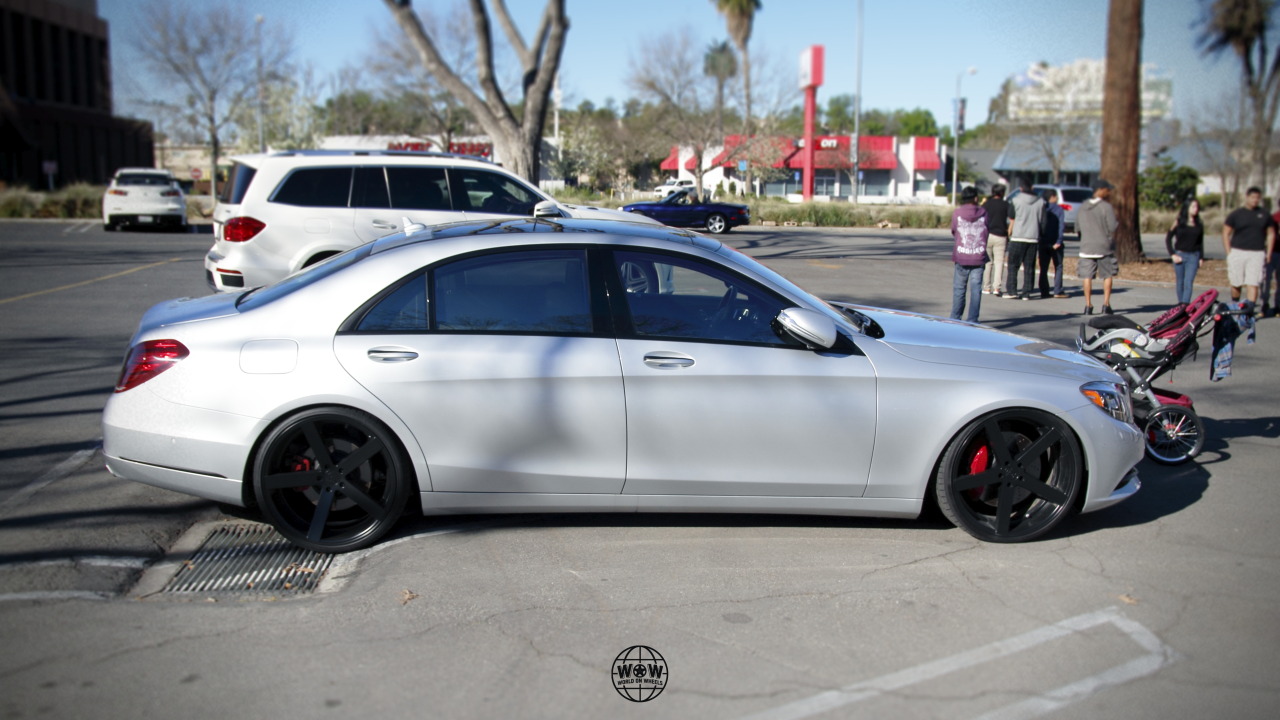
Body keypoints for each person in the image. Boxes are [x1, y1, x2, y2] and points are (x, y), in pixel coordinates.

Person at [1222, 186, 1276, 314]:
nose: (1255, 200)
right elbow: (1225, 232)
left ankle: (1249, 311)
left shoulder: (1264, 214)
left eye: (1257, 198)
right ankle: (1235, 306)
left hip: (1257, 253)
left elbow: (1271, 233)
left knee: (1253, 283)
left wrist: (1268, 253)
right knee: (1236, 282)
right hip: (1238, 251)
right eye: (1252, 197)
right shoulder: (1237, 214)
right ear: (1247, 197)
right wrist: (1229, 252)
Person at [1077, 178, 1119, 315]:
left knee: (1087, 276)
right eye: (1107, 189)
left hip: (1086, 246)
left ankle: (1088, 306)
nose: (1108, 192)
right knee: (1107, 275)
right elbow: (1112, 226)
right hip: (1103, 246)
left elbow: (1078, 227)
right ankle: (1106, 304)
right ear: (1100, 190)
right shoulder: (1106, 207)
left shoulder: (1083, 206)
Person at [950, 186, 989, 323]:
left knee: (959, 289)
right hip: (978, 256)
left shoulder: (957, 213)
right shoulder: (983, 212)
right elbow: (987, 229)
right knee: (976, 290)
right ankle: (973, 320)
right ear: (976, 198)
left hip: (961, 255)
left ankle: (955, 318)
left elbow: (954, 230)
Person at [1005, 176, 1045, 300]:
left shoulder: (1016, 200)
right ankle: (1026, 292)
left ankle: (1012, 291)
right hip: (1033, 237)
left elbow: (1011, 215)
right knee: (1029, 266)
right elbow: (1043, 221)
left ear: (1021, 188)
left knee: (1013, 265)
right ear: (1032, 187)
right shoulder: (1040, 202)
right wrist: (1041, 235)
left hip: (1017, 237)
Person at [1165, 197, 1204, 305]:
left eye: (1197, 207)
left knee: (1188, 282)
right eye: (1193, 206)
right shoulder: (1178, 222)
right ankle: (1180, 303)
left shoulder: (1199, 224)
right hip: (1180, 255)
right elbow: (1168, 238)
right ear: (1187, 208)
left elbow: (1200, 242)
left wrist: (1201, 257)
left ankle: (1185, 304)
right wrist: (1172, 254)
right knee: (1180, 282)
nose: (1195, 209)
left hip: (1193, 256)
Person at [981, 184, 1010, 296]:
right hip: (1001, 235)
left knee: (988, 262)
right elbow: (1011, 218)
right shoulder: (1006, 204)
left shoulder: (986, 204)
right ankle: (997, 288)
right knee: (999, 262)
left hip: (987, 234)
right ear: (1002, 193)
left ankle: (986, 287)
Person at [1038, 189, 1068, 298]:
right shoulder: (1059, 209)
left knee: (1043, 268)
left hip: (1043, 241)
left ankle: (1044, 291)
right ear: (1053, 197)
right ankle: (1057, 290)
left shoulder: (1042, 208)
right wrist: (1059, 241)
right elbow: (1061, 226)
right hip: (1055, 241)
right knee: (1058, 266)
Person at [1261, 195, 1280, 317]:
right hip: (1272, 252)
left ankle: (1278, 307)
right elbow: (1265, 235)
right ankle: (1264, 304)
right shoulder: (1273, 218)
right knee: (1266, 280)